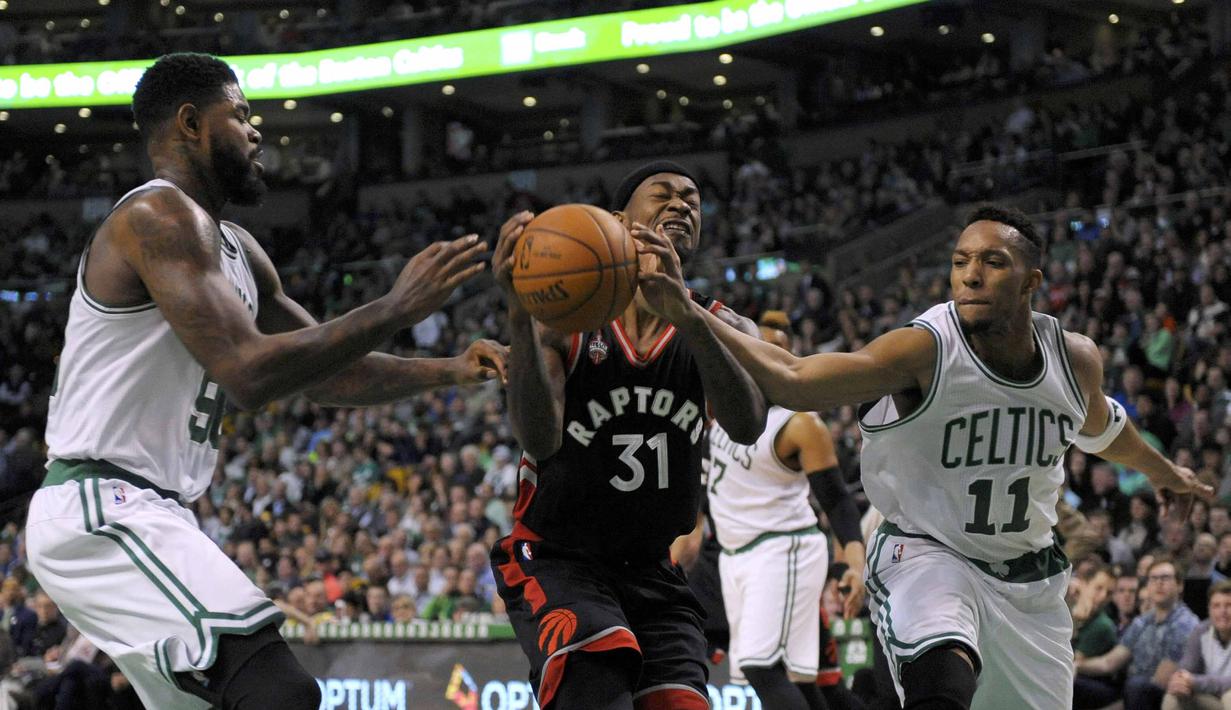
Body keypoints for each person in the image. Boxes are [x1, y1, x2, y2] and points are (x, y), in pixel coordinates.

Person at [24, 53, 507, 710]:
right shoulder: (157, 218)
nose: (256, 134)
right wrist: (392, 307)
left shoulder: (237, 250)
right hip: (102, 507)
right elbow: (248, 375)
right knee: (279, 691)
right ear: (192, 123)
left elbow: (327, 375)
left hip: (155, 512)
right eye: (242, 116)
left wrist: (451, 369)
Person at [682, 204, 1211, 709]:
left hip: (1029, 582)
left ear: (1032, 282)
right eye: (961, 262)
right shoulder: (925, 349)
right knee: (942, 680)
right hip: (927, 553)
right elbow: (796, 379)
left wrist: (1167, 473)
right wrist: (692, 314)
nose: (970, 275)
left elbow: (1104, 431)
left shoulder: (1074, 360)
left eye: (992, 261)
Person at [489, 160, 767, 710]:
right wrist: (520, 319)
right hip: (558, 557)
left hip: (653, 571)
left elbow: (748, 423)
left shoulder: (726, 326)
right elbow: (539, 441)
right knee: (598, 688)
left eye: (691, 199)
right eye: (661, 195)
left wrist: (688, 318)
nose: (680, 205)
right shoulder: (564, 320)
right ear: (617, 221)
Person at [706, 310, 866, 710]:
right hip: (735, 556)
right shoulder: (720, 408)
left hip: (783, 550)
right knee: (809, 682)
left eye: (777, 349)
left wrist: (852, 563)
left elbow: (836, 500)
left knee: (761, 668)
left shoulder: (798, 424)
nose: (765, 354)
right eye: (759, 343)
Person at [1078, 556, 1201, 710]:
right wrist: (1076, 665)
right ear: (1147, 585)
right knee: (1076, 681)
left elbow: (1159, 683)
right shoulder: (1143, 620)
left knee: (1138, 686)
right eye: (1153, 579)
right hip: (1128, 691)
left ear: (1180, 585)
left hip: (1158, 696)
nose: (1159, 583)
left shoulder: (1185, 624)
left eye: (1165, 578)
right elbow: (1109, 663)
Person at [1164, 580, 1231, 710]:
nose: (1223, 611)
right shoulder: (1201, 631)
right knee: (1174, 695)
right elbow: (1186, 667)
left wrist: (1195, 681)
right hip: (1210, 698)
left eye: (1229, 605)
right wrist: (1180, 679)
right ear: (1209, 610)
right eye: (1216, 606)